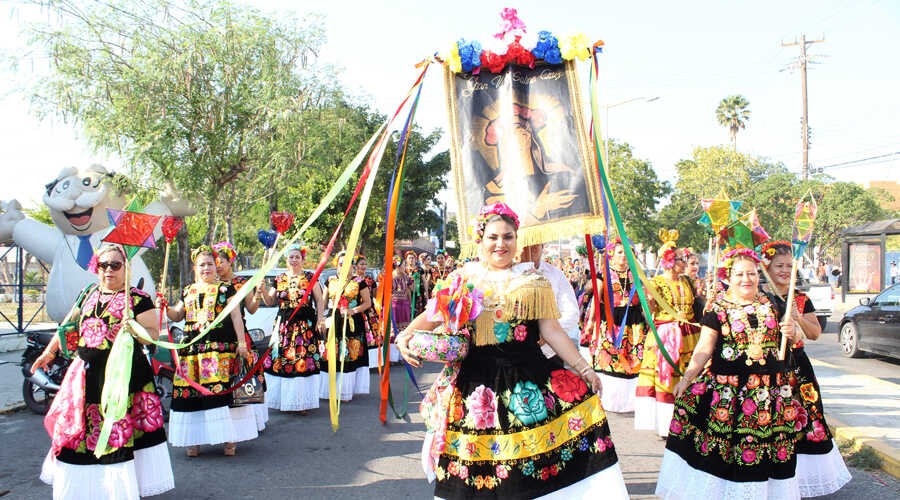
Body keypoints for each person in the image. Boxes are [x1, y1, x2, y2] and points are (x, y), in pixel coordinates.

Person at [397, 203, 629, 499]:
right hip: (475, 386)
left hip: (527, 378)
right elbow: (433, 316)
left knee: (524, 471)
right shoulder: (463, 279)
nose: (500, 244)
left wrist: (584, 368)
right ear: (480, 239)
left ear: (516, 241)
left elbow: (552, 331)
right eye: (493, 237)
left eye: (508, 237)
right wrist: (406, 334)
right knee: (480, 472)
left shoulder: (533, 281)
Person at [656, 248, 803, 499]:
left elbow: (798, 340)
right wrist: (687, 378)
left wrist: (794, 332)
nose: (746, 279)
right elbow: (704, 348)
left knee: (765, 452)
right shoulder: (717, 307)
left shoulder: (774, 304)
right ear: (728, 276)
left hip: (770, 392)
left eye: (752, 273)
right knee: (725, 454)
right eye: (739, 274)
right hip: (728, 393)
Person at [36, 243, 174, 499]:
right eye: (103, 265)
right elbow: (67, 325)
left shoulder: (138, 298)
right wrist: (49, 351)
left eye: (115, 265)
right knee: (81, 432)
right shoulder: (88, 293)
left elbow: (152, 337)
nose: (108, 270)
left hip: (123, 377)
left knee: (119, 432)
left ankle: (118, 491)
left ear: (125, 267)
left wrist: (132, 327)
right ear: (96, 267)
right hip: (86, 376)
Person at [761, 241, 851, 496]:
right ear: (766, 266)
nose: (784, 270)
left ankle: (800, 481)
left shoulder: (801, 299)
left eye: (789, 265)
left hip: (797, 366)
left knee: (805, 419)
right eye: (779, 265)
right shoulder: (758, 297)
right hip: (767, 367)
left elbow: (815, 334)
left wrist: (797, 316)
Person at [163, 245, 258, 457]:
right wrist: (164, 306)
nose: (206, 268)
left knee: (222, 394)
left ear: (216, 267)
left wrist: (242, 343)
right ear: (195, 268)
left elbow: (236, 317)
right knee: (191, 395)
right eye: (202, 265)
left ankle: (229, 439)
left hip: (219, 351)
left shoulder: (227, 289)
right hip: (193, 352)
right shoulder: (188, 291)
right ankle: (193, 441)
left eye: (210, 264)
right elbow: (177, 315)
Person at [635, 232, 700, 437]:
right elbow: (649, 312)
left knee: (691, 377)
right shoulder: (655, 283)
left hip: (690, 335)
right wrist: (649, 303)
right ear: (671, 261)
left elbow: (696, 305)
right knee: (665, 380)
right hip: (664, 337)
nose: (685, 262)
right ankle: (666, 425)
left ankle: (689, 421)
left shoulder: (688, 282)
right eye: (681, 259)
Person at [257, 243, 325, 414]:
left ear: (303, 259)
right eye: (291, 257)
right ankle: (284, 401)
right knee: (282, 361)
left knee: (301, 361)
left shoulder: (310, 277)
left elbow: (319, 299)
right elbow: (270, 301)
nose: (294, 260)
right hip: (284, 327)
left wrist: (321, 318)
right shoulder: (279, 279)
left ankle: (301, 403)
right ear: (287, 260)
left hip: (304, 327)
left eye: (297, 257)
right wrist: (263, 290)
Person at [583, 238, 646, 413]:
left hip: (633, 323)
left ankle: (629, 402)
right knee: (610, 359)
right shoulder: (603, 275)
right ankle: (609, 400)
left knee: (633, 359)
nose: (624, 256)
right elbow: (597, 301)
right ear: (611, 254)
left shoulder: (636, 275)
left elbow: (644, 299)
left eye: (626, 252)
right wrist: (590, 323)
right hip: (611, 321)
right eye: (619, 252)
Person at [213, 241, 269, 431]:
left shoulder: (241, 283)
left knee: (245, 375)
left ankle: (250, 422)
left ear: (231, 262)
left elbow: (252, 309)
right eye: (215, 262)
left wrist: (259, 293)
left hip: (240, 335)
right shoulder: (211, 284)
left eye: (221, 262)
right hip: (217, 338)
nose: (218, 266)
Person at [321, 252, 372, 402]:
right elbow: (323, 303)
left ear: (353, 266)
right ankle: (329, 390)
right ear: (336, 265)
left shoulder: (359, 282)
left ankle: (345, 392)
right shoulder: (329, 281)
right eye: (341, 264)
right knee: (332, 354)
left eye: (348, 264)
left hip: (352, 322)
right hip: (333, 320)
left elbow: (367, 303)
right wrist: (321, 318)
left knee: (348, 354)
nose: (344, 267)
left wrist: (352, 310)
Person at [519, 242, 582, 365]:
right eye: (526, 243)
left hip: (550, 351)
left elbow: (571, 313)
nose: (531, 247)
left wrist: (548, 333)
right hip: (516, 352)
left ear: (542, 246)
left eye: (536, 243)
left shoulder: (556, 275)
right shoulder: (508, 274)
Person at [391, 255, 413, 331]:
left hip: (404, 305)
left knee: (404, 329)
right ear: (398, 266)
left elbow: (410, 290)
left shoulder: (406, 277)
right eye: (404, 265)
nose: (405, 267)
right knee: (394, 328)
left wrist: (410, 303)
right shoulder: (390, 277)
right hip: (394, 306)